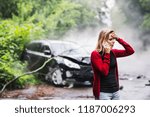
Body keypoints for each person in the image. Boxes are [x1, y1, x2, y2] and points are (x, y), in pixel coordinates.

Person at [90, 29, 135, 100]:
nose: (113, 41)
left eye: (114, 39)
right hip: (103, 93)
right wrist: (107, 53)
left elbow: (130, 51)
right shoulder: (95, 54)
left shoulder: (113, 52)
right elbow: (104, 71)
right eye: (110, 39)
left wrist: (118, 39)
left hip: (115, 92)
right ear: (103, 41)